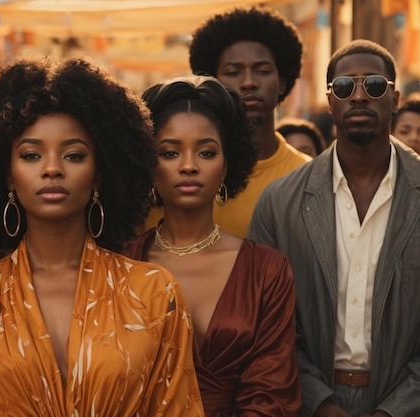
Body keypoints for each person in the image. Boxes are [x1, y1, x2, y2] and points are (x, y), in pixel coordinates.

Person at [0, 57, 204, 417]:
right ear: (6, 175)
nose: (52, 169)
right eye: (32, 155)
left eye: (74, 155)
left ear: (100, 173)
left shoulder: (154, 293)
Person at [248, 39, 420, 417]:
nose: (359, 96)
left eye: (374, 85)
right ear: (330, 100)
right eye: (344, 87)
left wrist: (395, 411)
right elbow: (264, 326)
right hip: (304, 402)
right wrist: (320, 404)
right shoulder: (279, 203)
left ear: (395, 98)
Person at [124, 75, 299, 416]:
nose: (189, 166)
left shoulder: (267, 270)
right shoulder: (121, 265)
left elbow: (273, 395)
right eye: (170, 152)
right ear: (149, 166)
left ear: (226, 165)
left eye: (206, 152)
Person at [181, 6, 310, 238]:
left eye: (262, 70)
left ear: (282, 82)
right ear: (212, 82)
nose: (249, 82)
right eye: (233, 72)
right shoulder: (185, 175)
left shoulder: (306, 175)